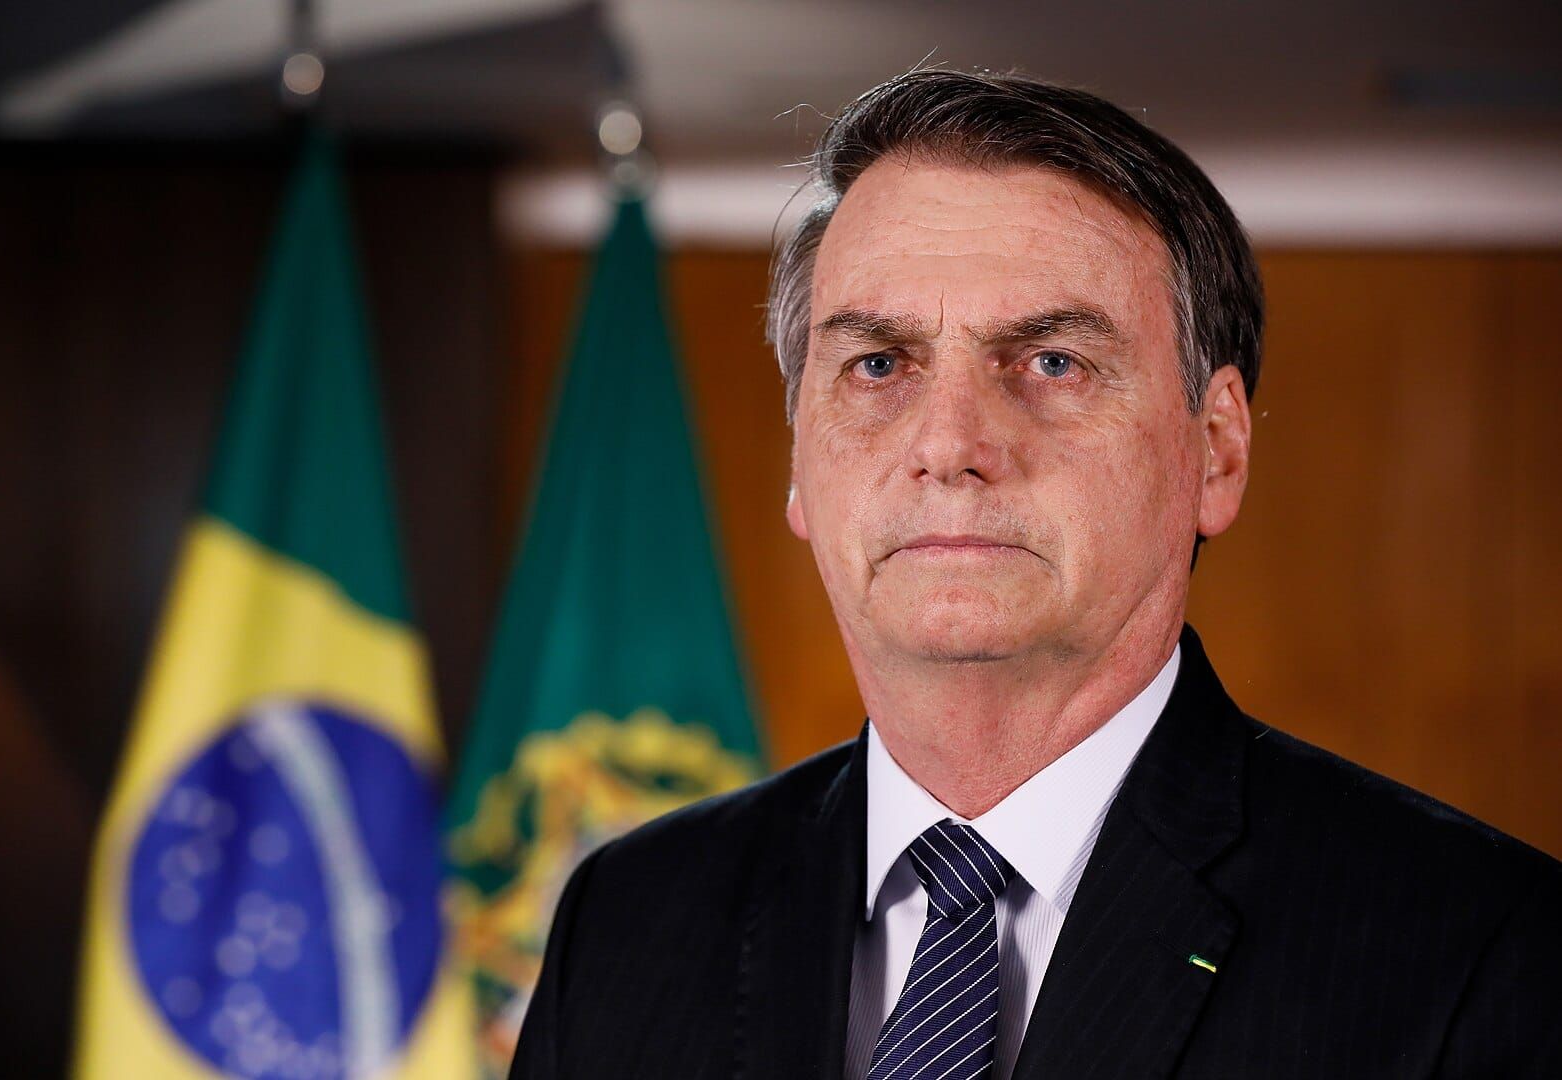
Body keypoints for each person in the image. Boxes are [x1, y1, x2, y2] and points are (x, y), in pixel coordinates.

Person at [508, 69, 1562, 1079]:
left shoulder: (1483, 950)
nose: (951, 445)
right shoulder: (628, 919)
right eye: (878, 365)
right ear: (798, 461)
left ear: (1217, 451)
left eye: (1052, 363)